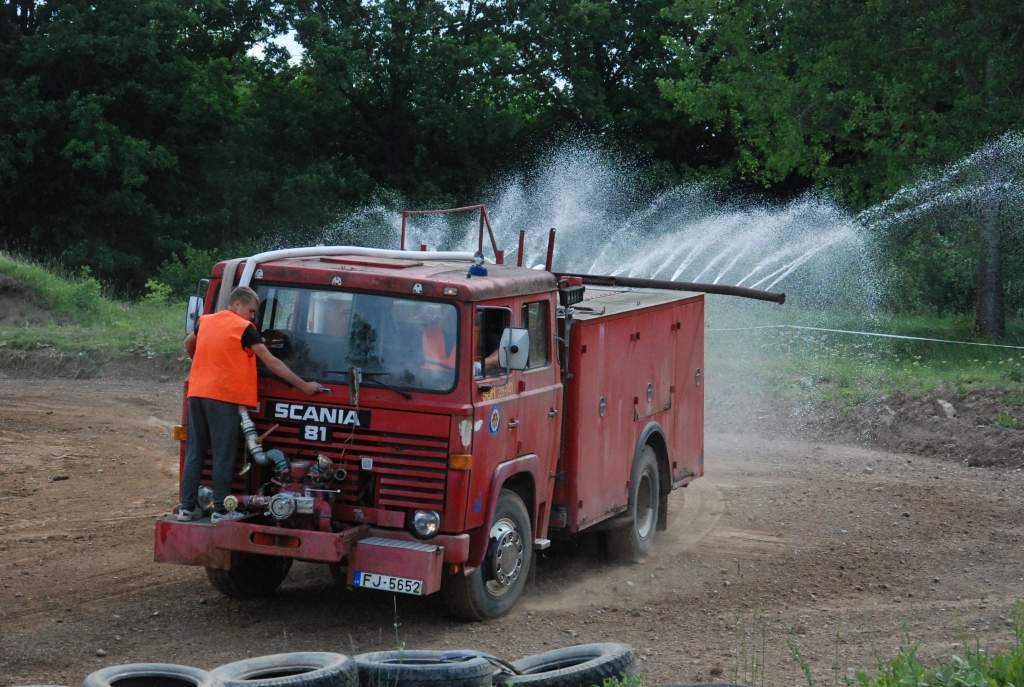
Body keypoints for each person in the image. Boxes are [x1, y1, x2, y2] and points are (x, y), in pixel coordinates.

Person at [177, 286, 328, 523]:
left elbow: (189, 343)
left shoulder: (206, 321)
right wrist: (304, 386)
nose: (253, 317)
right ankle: (221, 510)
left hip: (197, 393)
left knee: (195, 452)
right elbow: (272, 362)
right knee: (223, 455)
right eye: (251, 310)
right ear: (237, 304)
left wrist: (203, 363)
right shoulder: (244, 328)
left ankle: (186, 509)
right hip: (223, 397)